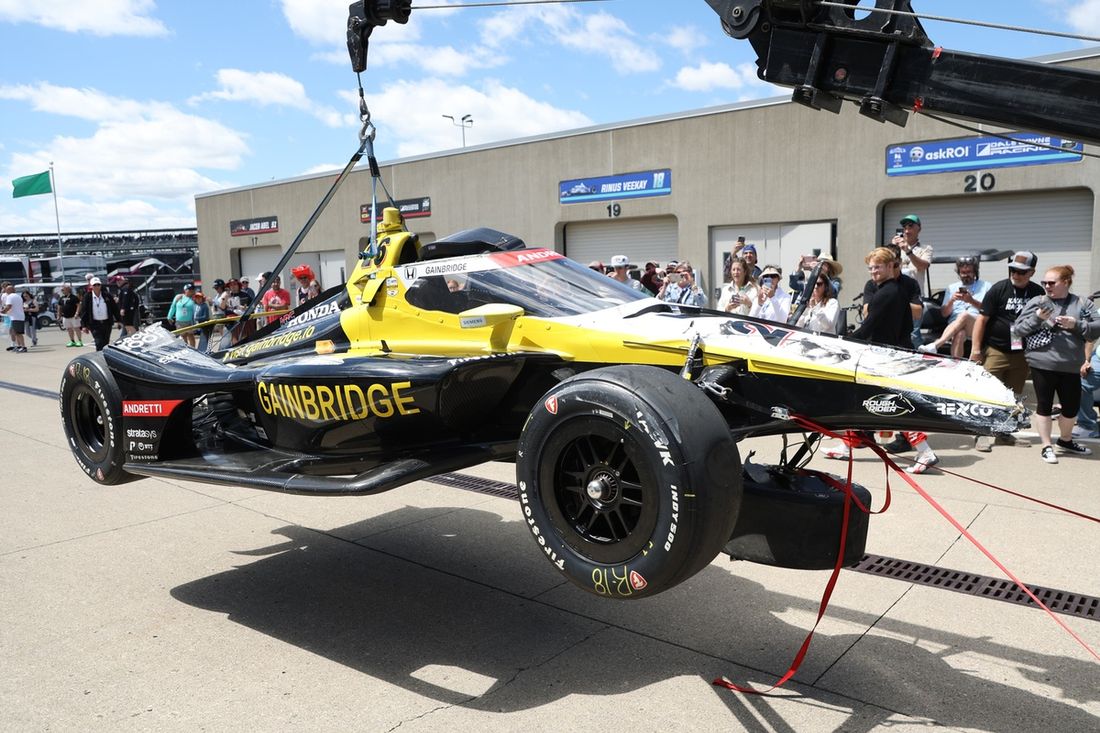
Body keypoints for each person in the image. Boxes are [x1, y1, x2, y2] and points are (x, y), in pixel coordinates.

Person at [832, 247, 938, 473]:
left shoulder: (886, 293)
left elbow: (868, 327)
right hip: (890, 353)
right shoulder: (894, 291)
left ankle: (925, 451)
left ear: (891, 266)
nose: (873, 272)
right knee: (862, 399)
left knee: (894, 405)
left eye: (878, 267)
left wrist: (843, 341)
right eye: (870, 268)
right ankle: (848, 444)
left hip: (887, 357)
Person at [1011, 265, 1100, 463]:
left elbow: (1096, 328)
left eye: (1052, 283)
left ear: (1066, 282)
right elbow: (1017, 330)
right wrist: (1037, 318)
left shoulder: (1082, 303)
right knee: (1044, 405)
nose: (1047, 286)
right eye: (1044, 283)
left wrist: (1076, 324)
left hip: (1071, 365)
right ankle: (1046, 446)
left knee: (1071, 408)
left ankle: (1066, 441)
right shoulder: (1038, 301)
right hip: (1042, 363)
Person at [968, 251, 1044, 451]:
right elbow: (981, 320)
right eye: (1013, 270)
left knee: (1013, 397)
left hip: (1022, 353)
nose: (1015, 274)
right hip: (996, 350)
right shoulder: (999, 289)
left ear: (1032, 272)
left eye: (1021, 271)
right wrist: (976, 350)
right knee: (987, 393)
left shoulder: (1037, 292)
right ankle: (981, 433)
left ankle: (1004, 434)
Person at [919, 256, 991, 358]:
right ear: (959, 273)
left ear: (975, 272)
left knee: (965, 315)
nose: (966, 275)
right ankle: (956, 364)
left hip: (976, 324)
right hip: (955, 325)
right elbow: (944, 313)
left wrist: (971, 301)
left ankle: (937, 344)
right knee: (960, 334)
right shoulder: (952, 288)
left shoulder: (986, 286)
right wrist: (952, 300)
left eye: (969, 272)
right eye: (963, 272)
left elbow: (988, 310)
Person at [892, 214, 933, 348]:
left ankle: (920, 359)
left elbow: (922, 266)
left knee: (913, 333)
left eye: (911, 226)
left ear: (919, 228)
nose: (907, 230)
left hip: (913, 296)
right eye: (904, 227)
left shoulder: (926, 248)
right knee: (893, 330)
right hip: (895, 294)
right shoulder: (896, 247)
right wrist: (892, 248)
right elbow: (886, 265)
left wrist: (908, 251)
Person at [79, 277, 120, 352]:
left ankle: (105, 358)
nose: (97, 286)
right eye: (94, 285)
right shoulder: (87, 297)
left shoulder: (107, 295)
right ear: (91, 286)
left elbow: (115, 308)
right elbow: (84, 311)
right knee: (98, 342)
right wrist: (84, 325)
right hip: (94, 324)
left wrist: (119, 320)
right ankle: (99, 357)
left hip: (106, 323)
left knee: (105, 343)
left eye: (98, 284)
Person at [1074, 339, 1099, 439]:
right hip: (1098, 357)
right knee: (1079, 381)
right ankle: (1088, 426)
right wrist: (1086, 361)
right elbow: (1091, 338)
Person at [1, 282, 28, 353]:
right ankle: (19, 346)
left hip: (16, 317)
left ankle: (23, 347)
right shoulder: (18, 296)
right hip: (18, 316)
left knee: (18, 333)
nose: (5, 291)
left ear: (9, 290)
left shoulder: (10, 296)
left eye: (6, 289)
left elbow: (8, 306)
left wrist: (3, 311)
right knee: (15, 332)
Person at [56, 282, 83, 347]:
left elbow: (79, 305)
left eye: (63, 289)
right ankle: (72, 341)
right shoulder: (61, 298)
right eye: (62, 290)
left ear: (68, 289)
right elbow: (59, 307)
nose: (62, 291)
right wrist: (58, 315)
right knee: (69, 329)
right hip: (65, 317)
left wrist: (77, 313)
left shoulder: (74, 297)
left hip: (74, 316)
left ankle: (79, 341)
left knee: (77, 328)